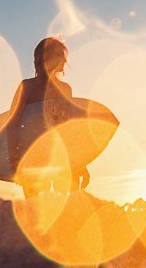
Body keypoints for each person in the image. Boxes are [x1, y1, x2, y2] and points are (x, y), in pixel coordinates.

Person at [5, 37, 90, 196]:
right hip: (33, 159)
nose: (64, 59)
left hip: (62, 159)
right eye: (59, 54)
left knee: (67, 212)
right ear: (45, 57)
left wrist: (81, 163)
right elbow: (12, 125)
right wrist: (14, 160)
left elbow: (69, 129)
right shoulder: (27, 87)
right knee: (35, 213)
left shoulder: (66, 89)